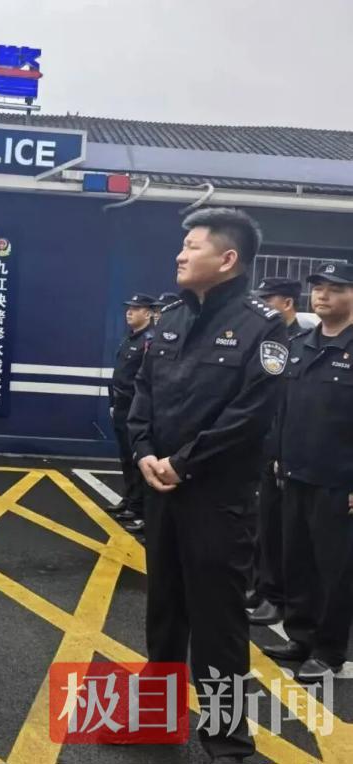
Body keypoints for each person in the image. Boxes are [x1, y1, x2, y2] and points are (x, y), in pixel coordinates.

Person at [128, 207, 287, 763]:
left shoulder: (263, 327)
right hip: (163, 493)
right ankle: (155, 720)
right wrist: (145, 453)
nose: (180, 255)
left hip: (218, 502)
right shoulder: (170, 318)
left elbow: (251, 413)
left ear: (227, 258)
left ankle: (227, 743)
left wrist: (183, 463)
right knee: (164, 613)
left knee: (218, 624)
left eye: (192, 246)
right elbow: (143, 394)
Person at [262, 262, 353, 683]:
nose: (323, 295)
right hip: (294, 473)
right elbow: (284, 407)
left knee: (334, 570)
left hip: (338, 482)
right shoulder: (300, 344)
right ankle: (300, 637)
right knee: (296, 561)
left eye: (336, 288)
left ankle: (328, 651)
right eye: (318, 288)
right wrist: (279, 456)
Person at [248, 278, 310, 625]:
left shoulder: (303, 341)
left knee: (283, 530)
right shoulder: (264, 338)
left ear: (287, 303)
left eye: (267, 299)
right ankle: (261, 586)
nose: (261, 305)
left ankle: (276, 596)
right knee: (263, 524)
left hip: (290, 450)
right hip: (264, 445)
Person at [107, 293, 155, 534]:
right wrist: (112, 403)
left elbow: (145, 380)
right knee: (126, 457)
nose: (129, 312)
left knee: (138, 458)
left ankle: (138, 507)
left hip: (135, 407)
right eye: (129, 308)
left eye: (136, 308)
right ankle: (129, 499)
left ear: (148, 313)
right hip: (121, 405)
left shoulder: (149, 340)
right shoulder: (129, 338)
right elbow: (119, 374)